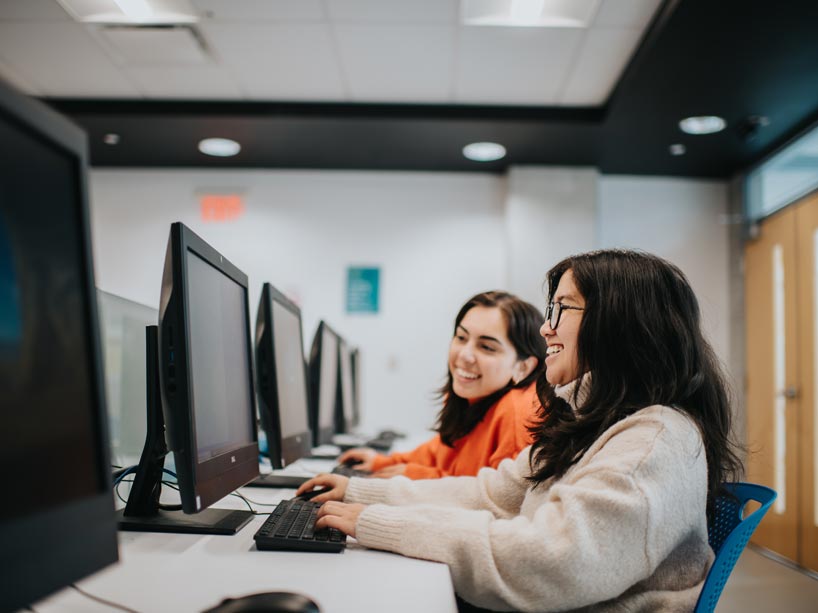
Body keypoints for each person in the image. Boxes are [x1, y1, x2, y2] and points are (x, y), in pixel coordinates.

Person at [297, 249, 743, 612]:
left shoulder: (651, 443)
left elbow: (551, 563)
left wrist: (380, 524)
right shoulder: (596, 424)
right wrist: (362, 496)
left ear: (619, 323)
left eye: (561, 309)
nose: (546, 327)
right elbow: (490, 493)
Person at [339, 290, 546, 479]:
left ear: (523, 367)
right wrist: (381, 462)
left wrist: (415, 476)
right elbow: (437, 452)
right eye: (461, 337)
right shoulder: (474, 398)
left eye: (486, 347)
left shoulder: (519, 413)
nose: (464, 355)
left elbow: (501, 502)